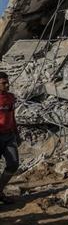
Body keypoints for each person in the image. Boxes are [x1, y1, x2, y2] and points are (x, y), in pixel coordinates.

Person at [0, 72, 20, 204]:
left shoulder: (11, 97)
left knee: (13, 164)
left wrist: (16, 133)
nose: (7, 85)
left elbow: (12, 116)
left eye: (7, 82)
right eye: (3, 83)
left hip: (9, 136)